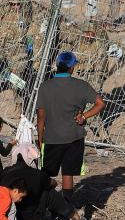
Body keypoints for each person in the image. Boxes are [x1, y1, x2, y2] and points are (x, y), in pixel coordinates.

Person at [35, 51, 104, 202]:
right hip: (74, 137)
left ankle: (44, 203)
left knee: (46, 173)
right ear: (72, 68)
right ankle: (67, 207)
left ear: (57, 65)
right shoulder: (81, 86)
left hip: (51, 137)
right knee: (68, 173)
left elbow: (41, 116)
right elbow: (100, 103)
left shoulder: (45, 87)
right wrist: (84, 116)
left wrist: (40, 138)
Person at [5, 153, 90, 220]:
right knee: (48, 193)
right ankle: (75, 217)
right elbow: (53, 183)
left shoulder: (5, 172)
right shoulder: (35, 174)